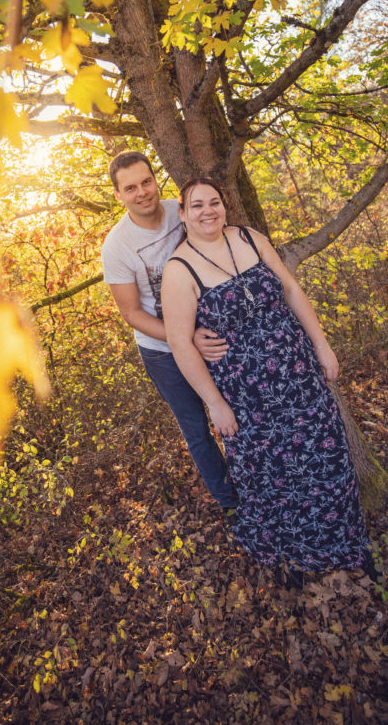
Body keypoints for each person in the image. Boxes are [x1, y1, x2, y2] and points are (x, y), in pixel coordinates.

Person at [160, 177, 375, 577]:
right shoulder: (179, 270)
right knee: (273, 477)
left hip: (300, 376)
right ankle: (293, 555)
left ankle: (341, 542)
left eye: (215, 202)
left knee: (325, 460)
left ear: (224, 206)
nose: (208, 211)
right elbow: (180, 344)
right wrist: (215, 404)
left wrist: (322, 345)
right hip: (248, 398)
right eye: (197, 205)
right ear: (183, 213)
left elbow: (291, 289)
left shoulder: (249, 237)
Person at [101, 152, 237, 510]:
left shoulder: (181, 211)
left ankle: (259, 481)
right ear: (118, 195)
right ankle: (231, 503)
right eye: (130, 188)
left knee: (237, 409)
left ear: (154, 178)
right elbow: (131, 313)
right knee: (197, 429)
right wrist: (184, 336)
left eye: (146, 181)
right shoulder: (117, 246)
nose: (142, 192)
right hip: (163, 351)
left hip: (214, 335)